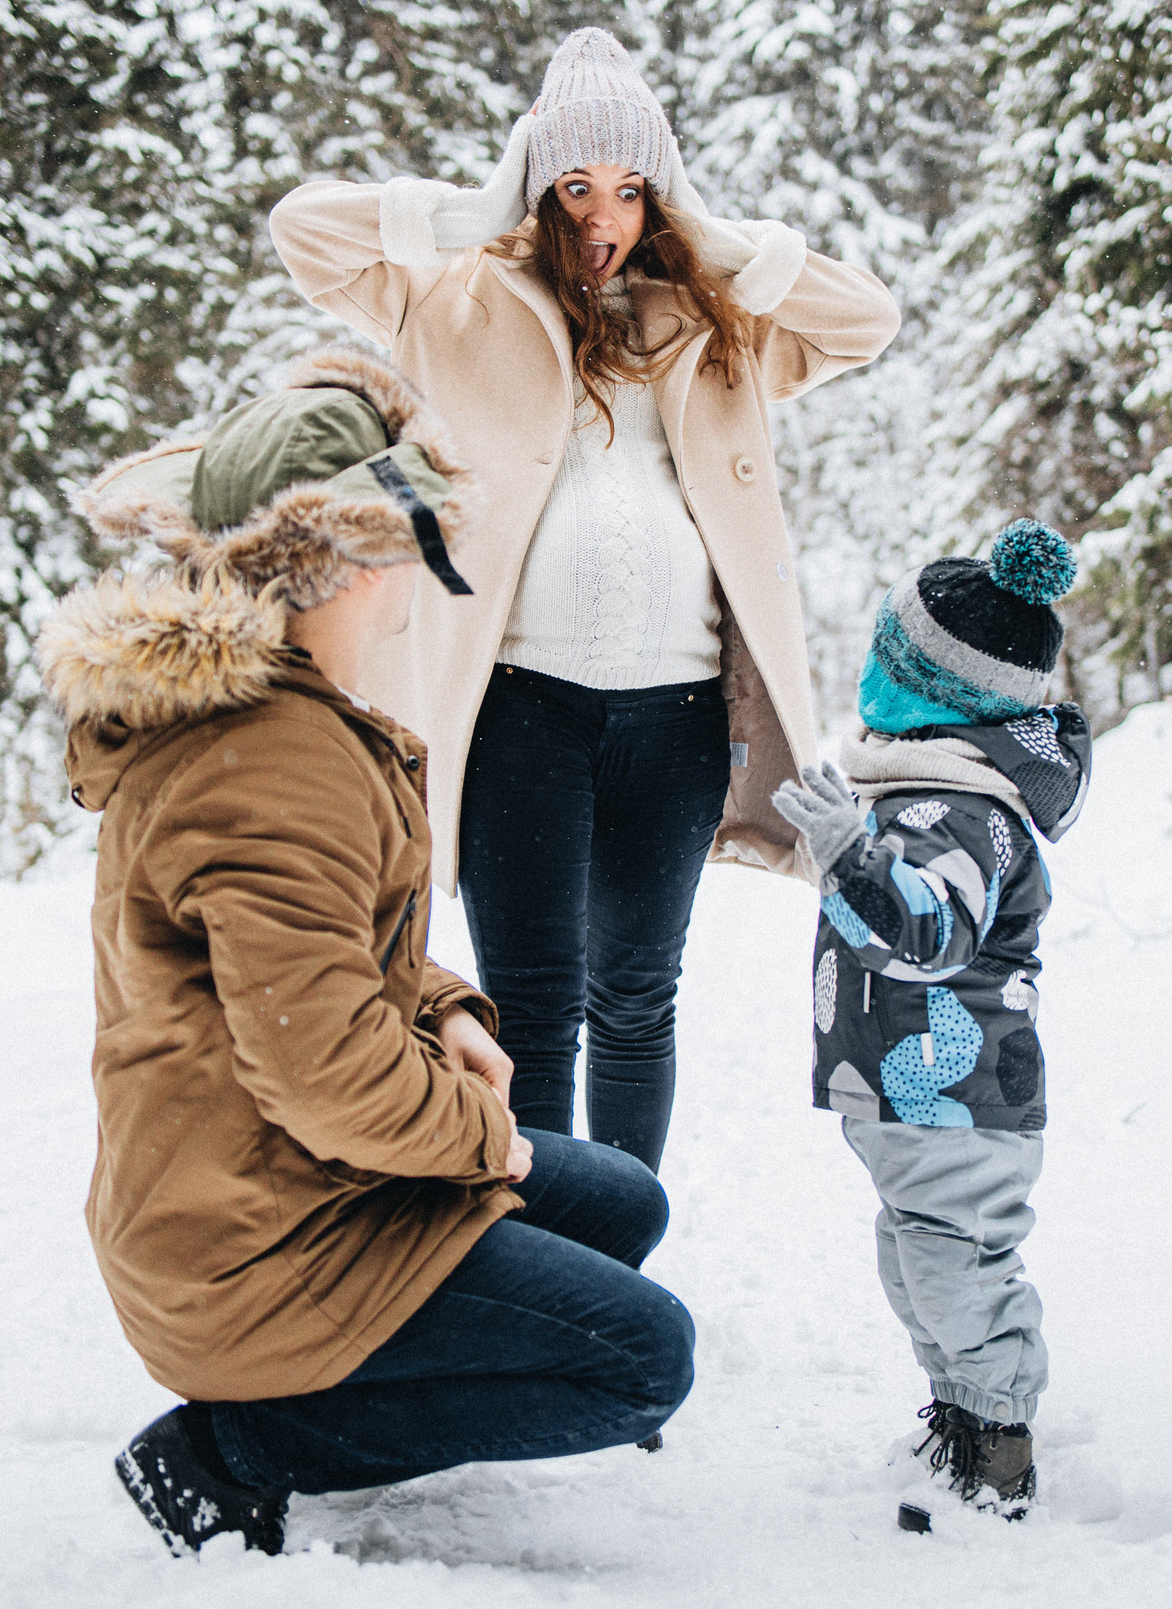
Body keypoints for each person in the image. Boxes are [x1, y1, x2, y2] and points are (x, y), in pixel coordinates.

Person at [38, 346, 693, 1558]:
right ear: (341, 559)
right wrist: (483, 1136)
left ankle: (354, 1369)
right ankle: (241, 1447)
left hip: (274, 1180)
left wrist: (447, 1013)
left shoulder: (283, 722)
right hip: (256, 1245)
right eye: (404, 531)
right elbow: (324, 1074)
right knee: (642, 1360)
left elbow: (333, 963)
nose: (419, 567)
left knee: (621, 1204)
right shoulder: (271, 762)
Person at [268, 27, 900, 1173]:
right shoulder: (456, 302)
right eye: (574, 185)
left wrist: (713, 234)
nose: (601, 215)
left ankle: (619, 1252)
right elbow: (301, 231)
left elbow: (866, 320)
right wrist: (468, 212)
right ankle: (537, 1248)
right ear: (537, 187)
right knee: (529, 1006)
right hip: (519, 713)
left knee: (637, 999)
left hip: (676, 713)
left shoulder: (721, 324)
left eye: (628, 187)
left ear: (661, 195)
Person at [767, 519, 1093, 1525]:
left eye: (887, 657)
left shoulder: (968, 815)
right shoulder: (926, 794)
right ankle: (959, 1412)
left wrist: (844, 853)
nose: (870, 672)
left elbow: (928, 936)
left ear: (936, 690)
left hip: (959, 1098)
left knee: (957, 1266)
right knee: (919, 1263)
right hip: (913, 1098)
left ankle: (999, 1442)